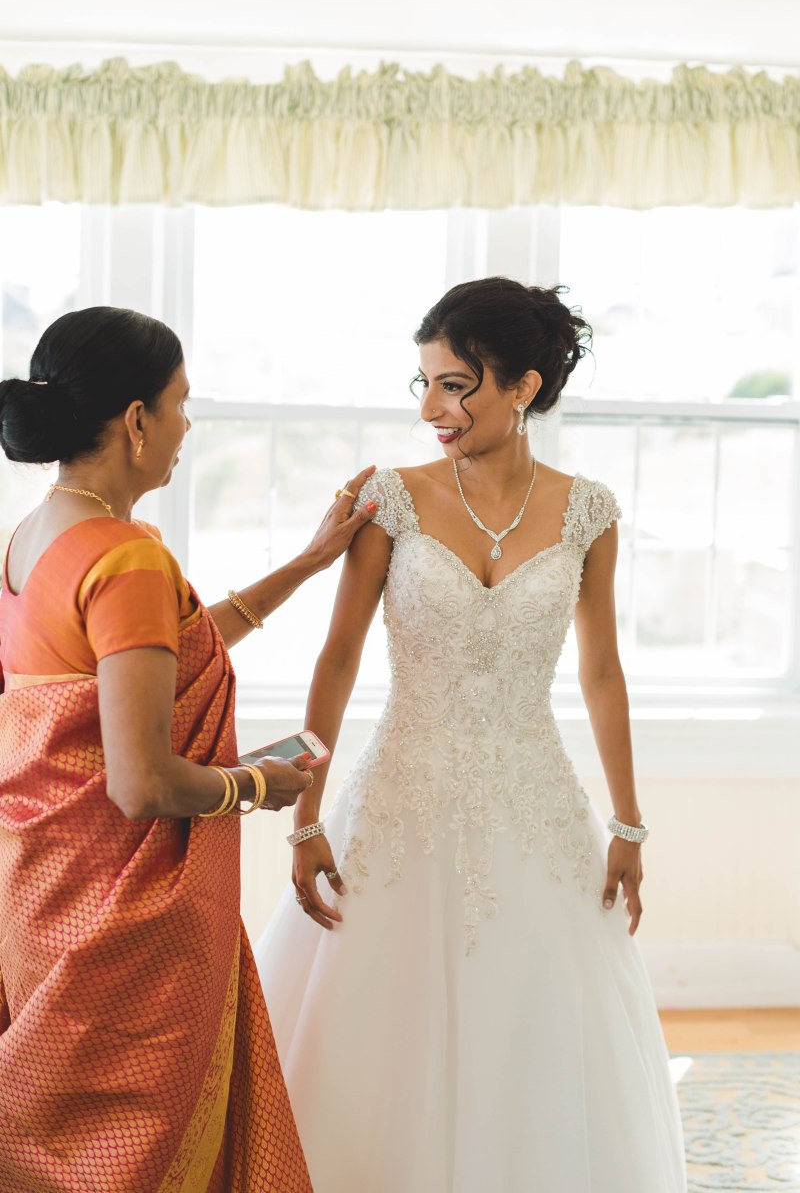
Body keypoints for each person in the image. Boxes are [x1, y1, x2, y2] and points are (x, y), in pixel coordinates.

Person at [254, 277, 687, 1192]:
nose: (431, 409)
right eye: (423, 383)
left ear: (523, 387)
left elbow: (601, 673)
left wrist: (630, 822)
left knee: (533, 1029)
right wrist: (305, 816)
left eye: (456, 385)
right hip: (399, 802)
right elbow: (335, 660)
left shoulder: (588, 511)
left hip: (534, 805)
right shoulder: (389, 499)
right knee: (377, 1038)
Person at [0, 306, 377, 1193]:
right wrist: (258, 784)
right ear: (137, 421)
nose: (186, 425)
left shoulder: (31, 539)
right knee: (139, 1148)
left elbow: (170, 649)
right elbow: (141, 784)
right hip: (123, 907)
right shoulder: (128, 556)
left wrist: (312, 559)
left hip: (40, 892)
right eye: (179, 403)